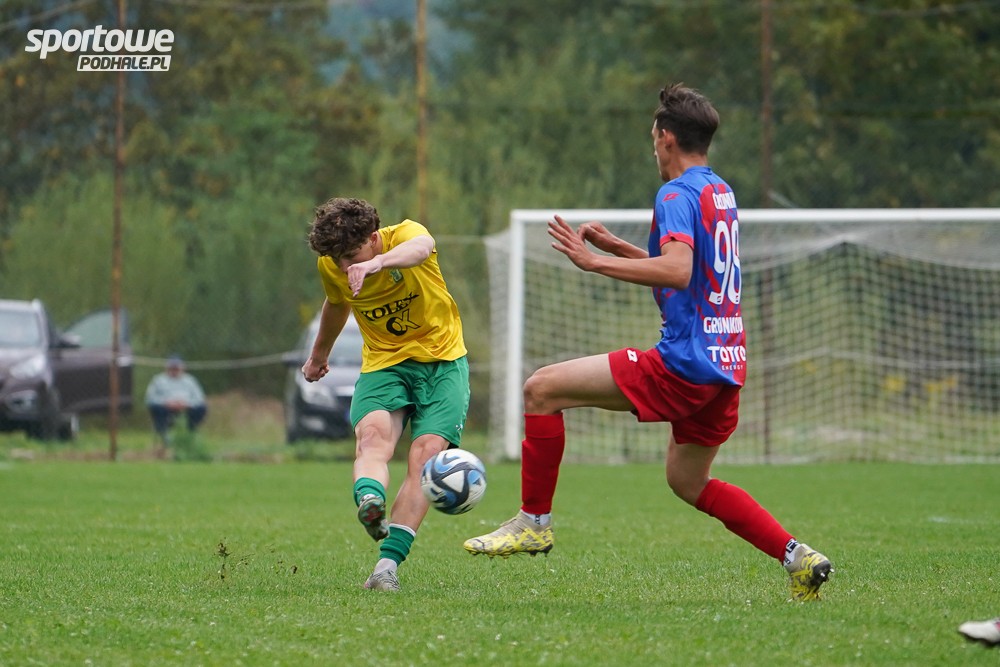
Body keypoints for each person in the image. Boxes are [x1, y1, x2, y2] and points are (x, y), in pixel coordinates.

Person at [463, 83, 833, 601]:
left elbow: (678, 271)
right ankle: (798, 557)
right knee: (688, 481)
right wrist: (620, 247)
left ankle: (533, 523)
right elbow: (694, 273)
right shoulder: (719, 191)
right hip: (725, 363)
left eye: (653, 139)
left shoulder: (675, 193)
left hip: (684, 363)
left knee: (541, 389)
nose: (653, 149)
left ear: (666, 138)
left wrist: (594, 261)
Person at [302, 197, 469, 592]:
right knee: (372, 439)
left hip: (443, 362)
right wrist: (318, 355)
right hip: (384, 365)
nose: (344, 266)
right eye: (337, 259)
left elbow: (421, 249)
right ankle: (370, 501)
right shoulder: (332, 265)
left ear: (374, 238)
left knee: (426, 457)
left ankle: (385, 567)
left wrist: (376, 264)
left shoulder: (406, 235)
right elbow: (337, 303)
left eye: (351, 256)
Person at [145, 355, 207, 443]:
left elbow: (199, 398)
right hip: (165, 407)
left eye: (176, 368)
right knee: (156, 408)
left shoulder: (190, 381)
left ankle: (191, 432)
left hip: (186, 407)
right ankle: (165, 436)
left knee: (201, 408)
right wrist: (166, 403)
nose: (174, 370)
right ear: (167, 368)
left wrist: (187, 404)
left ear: (182, 368)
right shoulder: (158, 380)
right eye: (172, 367)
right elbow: (150, 398)